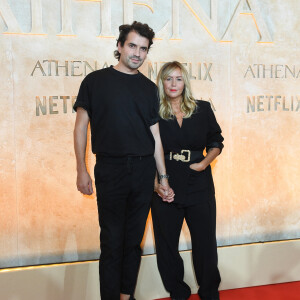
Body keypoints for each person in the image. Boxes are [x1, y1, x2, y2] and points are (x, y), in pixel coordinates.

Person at [73, 21, 172, 300]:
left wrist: (162, 178)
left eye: (143, 48)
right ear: (119, 46)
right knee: (112, 242)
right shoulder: (94, 81)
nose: (137, 53)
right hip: (110, 169)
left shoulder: (149, 88)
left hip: (143, 171)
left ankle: (126, 295)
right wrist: (81, 170)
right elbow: (80, 127)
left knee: (133, 243)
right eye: (132, 46)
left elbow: (156, 137)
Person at [151, 61, 224, 300]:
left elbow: (216, 141)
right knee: (166, 247)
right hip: (165, 184)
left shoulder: (202, 108)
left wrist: (203, 164)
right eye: (168, 78)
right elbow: (145, 150)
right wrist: (157, 185)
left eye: (179, 79)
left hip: (199, 182)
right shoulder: (152, 111)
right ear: (161, 82)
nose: (173, 84)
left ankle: (209, 293)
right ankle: (178, 293)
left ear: (185, 83)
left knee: (205, 245)